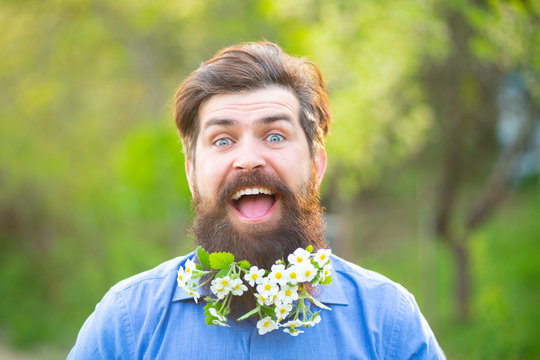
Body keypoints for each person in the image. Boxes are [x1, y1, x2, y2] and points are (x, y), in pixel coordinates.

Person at [68, 41, 445, 359]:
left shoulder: (389, 324)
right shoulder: (127, 325)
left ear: (316, 164)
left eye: (276, 136)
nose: (248, 158)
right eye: (222, 140)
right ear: (191, 173)